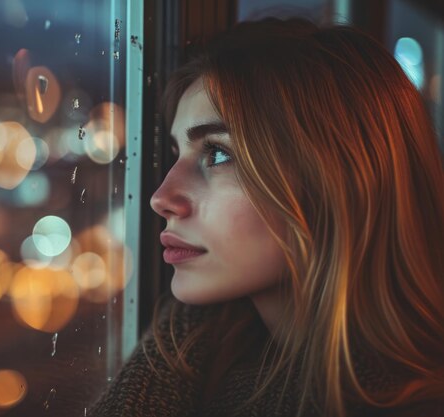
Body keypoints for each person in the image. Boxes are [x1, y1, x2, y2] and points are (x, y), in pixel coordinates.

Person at [88, 17, 444, 417]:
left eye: (217, 154)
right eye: (177, 155)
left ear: (336, 181)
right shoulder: (195, 358)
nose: (161, 198)